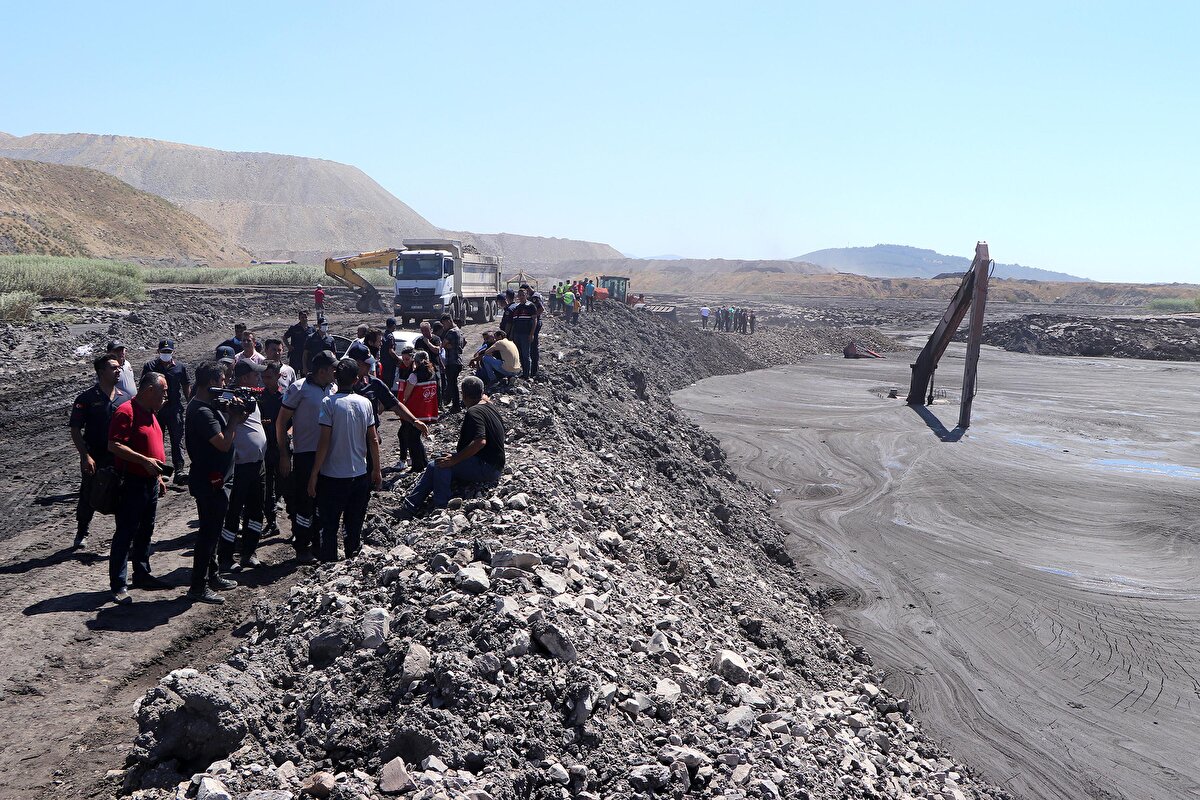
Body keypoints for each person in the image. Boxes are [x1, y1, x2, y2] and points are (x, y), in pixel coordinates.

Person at [184, 361, 246, 604]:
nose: (225, 384)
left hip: (215, 479)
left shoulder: (208, 406)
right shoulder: (202, 412)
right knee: (208, 534)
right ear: (211, 382)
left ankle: (212, 575)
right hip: (210, 481)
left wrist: (236, 413)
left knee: (213, 530)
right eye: (222, 380)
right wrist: (233, 419)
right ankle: (198, 587)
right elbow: (223, 443)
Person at [107, 372, 171, 604]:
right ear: (150, 390)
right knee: (126, 532)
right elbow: (114, 445)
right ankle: (118, 584)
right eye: (163, 391)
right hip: (131, 483)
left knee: (146, 530)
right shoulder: (126, 412)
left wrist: (158, 477)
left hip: (149, 482)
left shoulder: (151, 413)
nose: (166, 396)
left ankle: (142, 574)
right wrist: (143, 461)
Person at [308, 358, 380, 562]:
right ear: (356, 379)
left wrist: (314, 474)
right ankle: (351, 560)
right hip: (359, 474)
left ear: (335, 378)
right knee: (353, 523)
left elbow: (324, 441)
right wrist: (377, 470)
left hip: (332, 476)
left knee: (329, 524)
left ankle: (329, 563)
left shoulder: (328, 403)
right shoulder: (365, 403)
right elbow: (373, 439)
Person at [398, 376, 504, 515]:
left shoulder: (474, 412)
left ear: (463, 394)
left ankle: (441, 506)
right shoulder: (489, 406)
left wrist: (455, 459)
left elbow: (480, 441)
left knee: (441, 465)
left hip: (488, 467)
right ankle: (410, 505)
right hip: (494, 464)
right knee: (434, 464)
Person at [277, 349, 337, 563]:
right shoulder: (299, 388)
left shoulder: (333, 388)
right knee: (305, 502)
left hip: (329, 454)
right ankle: (302, 546)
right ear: (322, 371)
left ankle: (320, 545)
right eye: (332, 369)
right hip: (306, 454)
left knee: (324, 501)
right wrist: (284, 453)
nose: (335, 372)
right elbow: (281, 421)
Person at [70, 355, 132, 549]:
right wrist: (85, 456)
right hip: (95, 456)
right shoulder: (86, 398)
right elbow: (75, 429)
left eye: (119, 368)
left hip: (119, 456)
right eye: (113, 368)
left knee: (122, 494)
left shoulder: (125, 397)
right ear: (101, 372)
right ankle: (82, 531)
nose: (118, 371)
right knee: (89, 493)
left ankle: (124, 535)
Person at [219, 360, 269, 572]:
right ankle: (226, 557)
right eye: (255, 375)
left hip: (258, 464)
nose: (259, 378)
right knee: (233, 512)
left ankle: (249, 552)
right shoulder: (228, 397)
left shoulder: (251, 396)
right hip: (239, 465)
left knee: (256, 510)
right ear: (244, 377)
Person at [141, 338, 190, 479]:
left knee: (177, 440)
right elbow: (143, 386)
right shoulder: (150, 366)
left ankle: (179, 470)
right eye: (163, 351)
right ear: (158, 351)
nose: (166, 354)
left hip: (174, 409)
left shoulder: (180, 367)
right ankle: (160, 470)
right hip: (156, 409)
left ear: (173, 352)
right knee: (156, 440)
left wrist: (190, 403)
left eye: (169, 351)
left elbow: (186, 385)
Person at [258, 360, 287, 538]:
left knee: (287, 485)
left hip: (283, 447)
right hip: (266, 448)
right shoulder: (259, 397)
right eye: (263, 376)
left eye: (269, 377)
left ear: (278, 376)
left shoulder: (286, 397)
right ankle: (271, 522)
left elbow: (293, 423)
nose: (265, 380)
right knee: (267, 488)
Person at [380, 317, 400, 391]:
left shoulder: (383, 335)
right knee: (388, 385)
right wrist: (399, 359)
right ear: (393, 325)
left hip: (383, 363)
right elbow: (391, 351)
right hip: (389, 365)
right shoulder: (390, 337)